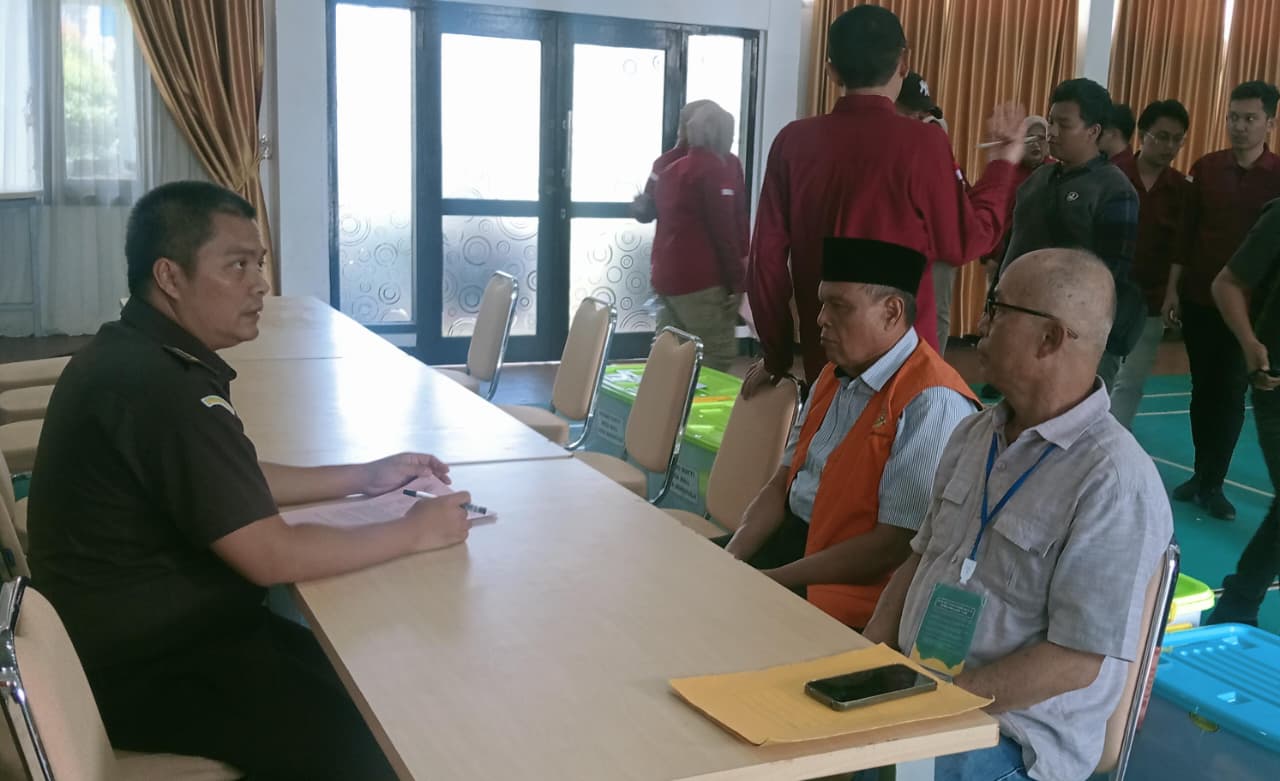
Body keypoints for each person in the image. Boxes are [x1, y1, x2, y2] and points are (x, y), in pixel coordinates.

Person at [26, 181, 473, 779]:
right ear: (170, 276)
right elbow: (270, 555)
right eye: (236, 265)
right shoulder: (162, 388)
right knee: (378, 743)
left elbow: (224, 480)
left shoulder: (136, 351)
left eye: (258, 263)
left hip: (134, 637)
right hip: (150, 665)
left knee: (371, 680)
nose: (260, 283)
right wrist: (414, 531)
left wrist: (364, 477)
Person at [864, 249, 1173, 781]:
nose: (981, 324)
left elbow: (1076, 660)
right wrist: (865, 661)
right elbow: (920, 558)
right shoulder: (975, 432)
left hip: (1007, 737)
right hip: (924, 697)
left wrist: (939, 707)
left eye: (996, 308)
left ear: (1049, 338)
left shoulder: (1114, 482)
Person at [744, 4, 1027, 396]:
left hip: (825, 353)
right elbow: (964, 242)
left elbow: (765, 264)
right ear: (904, 63)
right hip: (905, 360)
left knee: (826, 435)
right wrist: (1001, 166)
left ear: (831, 71)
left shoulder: (792, 142)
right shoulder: (924, 143)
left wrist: (776, 356)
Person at [721, 237, 978, 629]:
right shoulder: (833, 374)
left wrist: (772, 581)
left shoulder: (931, 400)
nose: (821, 319)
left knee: (719, 624)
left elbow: (893, 545)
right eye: (822, 303)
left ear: (891, 312)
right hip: (792, 548)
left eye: (839, 306)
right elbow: (782, 484)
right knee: (687, 583)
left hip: (849, 588)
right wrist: (732, 555)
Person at [1162, 80, 1280, 521]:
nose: (1239, 126)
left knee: (1230, 391)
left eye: (1250, 118)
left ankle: (1214, 482)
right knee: (1202, 389)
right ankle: (1200, 473)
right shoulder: (1206, 168)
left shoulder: (1278, 177)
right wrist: (1173, 289)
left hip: (1250, 311)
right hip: (1198, 297)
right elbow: (1185, 234)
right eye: (1233, 117)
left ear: (1270, 123)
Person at [997, 78, 1143, 391]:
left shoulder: (1115, 190)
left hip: (1075, 335)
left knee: (1069, 410)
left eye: (1064, 124)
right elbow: (1014, 244)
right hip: (1020, 320)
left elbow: (1111, 275)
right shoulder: (1037, 179)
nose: (1051, 132)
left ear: (1093, 131)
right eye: (1050, 121)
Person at [1207, 197, 1280, 625]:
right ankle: (1236, 606)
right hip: (1276, 381)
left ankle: (1236, 605)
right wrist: (1251, 344)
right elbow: (1227, 284)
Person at [1108, 100, 1192, 428]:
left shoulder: (1182, 189)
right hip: (1107, 292)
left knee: (1132, 380)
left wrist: (1173, 293)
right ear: (1143, 135)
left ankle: (1115, 438)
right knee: (1096, 373)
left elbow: (1181, 249)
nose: (1169, 146)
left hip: (1151, 299)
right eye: (1162, 136)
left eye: (1176, 139)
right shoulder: (1113, 174)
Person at [649, 102, 749, 371]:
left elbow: (654, 211)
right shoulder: (714, 169)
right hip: (702, 280)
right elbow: (725, 229)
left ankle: (662, 398)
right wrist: (737, 280)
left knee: (668, 351)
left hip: (666, 275)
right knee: (716, 353)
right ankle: (696, 399)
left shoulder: (669, 168)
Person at [896, 71, 958, 354]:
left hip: (938, 247)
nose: (922, 123)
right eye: (914, 114)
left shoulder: (941, 155)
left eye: (926, 117)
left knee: (937, 314)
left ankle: (934, 369)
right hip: (903, 252)